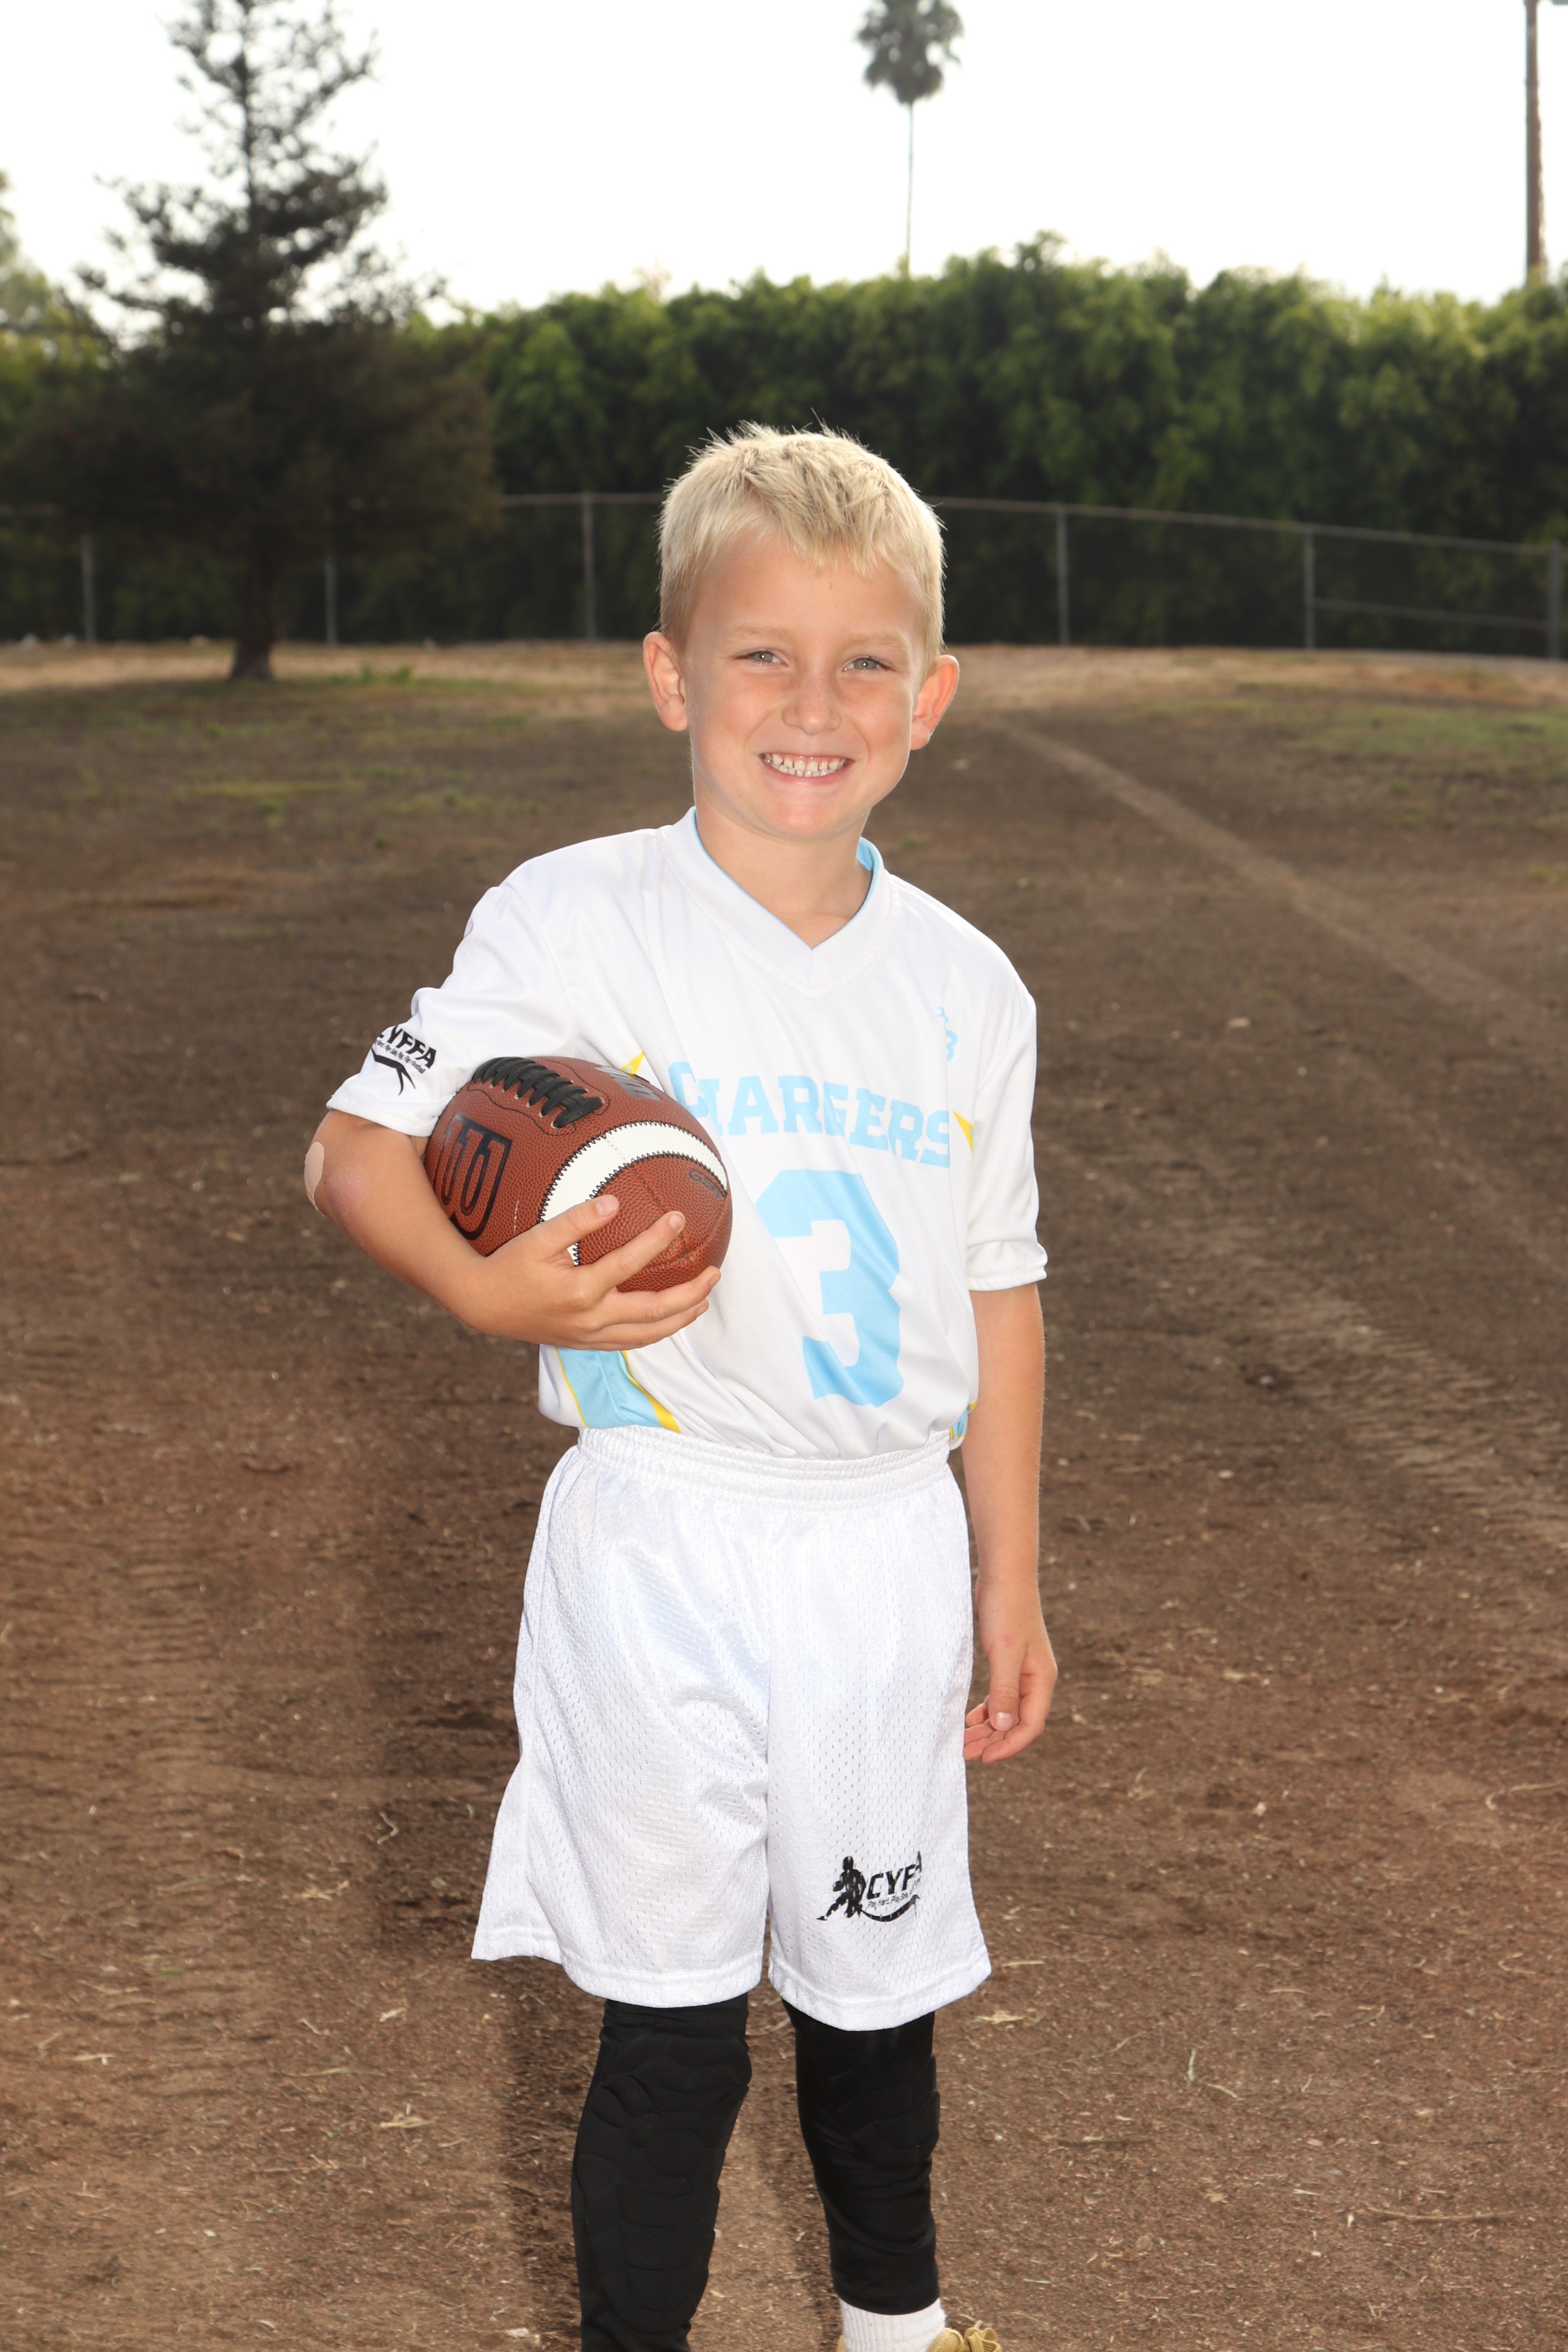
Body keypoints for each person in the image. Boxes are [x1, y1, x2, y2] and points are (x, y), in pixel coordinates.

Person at [305, 424, 1056, 2352]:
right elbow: (355, 1151)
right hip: (659, 1547)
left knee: (874, 2005)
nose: (813, 706)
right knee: (670, 2028)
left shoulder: (970, 987)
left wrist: (1011, 1575)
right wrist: (484, 1288)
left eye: (865, 661)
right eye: (761, 655)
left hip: (881, 1550)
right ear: (669, 676)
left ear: (932, 697)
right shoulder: (572, 921)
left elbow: (999, 1285)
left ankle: (897, 2330)